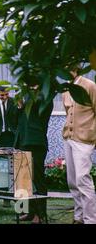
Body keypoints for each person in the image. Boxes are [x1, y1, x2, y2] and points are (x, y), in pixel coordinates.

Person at [62, 66, 96, 224]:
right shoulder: (66, 89)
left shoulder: (90, 86)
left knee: (83, 180)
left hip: (84, 140)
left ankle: (90, 220)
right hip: (69, 138)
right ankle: (79, 217)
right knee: (72, 181)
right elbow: (68, 112)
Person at [15, 95, 53, 224]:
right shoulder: (25, 95)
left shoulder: (44, 95)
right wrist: (20, 106)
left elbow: (40, 113)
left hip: (35, 141)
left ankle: (40, 214)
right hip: (22, 139)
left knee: (37, 179)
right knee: (21, 179)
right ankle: (25, 211)